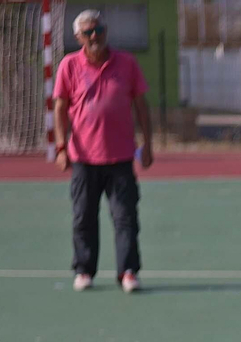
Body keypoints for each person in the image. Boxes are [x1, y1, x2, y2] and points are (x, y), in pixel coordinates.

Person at [53, 8, 152, 294]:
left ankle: (128, 271)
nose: (94, 36)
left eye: (98, 29)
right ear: (77, 37)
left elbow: (141, 106)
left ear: (105, 31)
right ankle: (84, 270)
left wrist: (148, 144)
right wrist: (61, 148)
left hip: (121, 157)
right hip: (84, 158)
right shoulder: (69, 66)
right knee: (83, 216)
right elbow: (60, 109)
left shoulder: (127, 63)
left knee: (125, 217)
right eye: (88, 32)